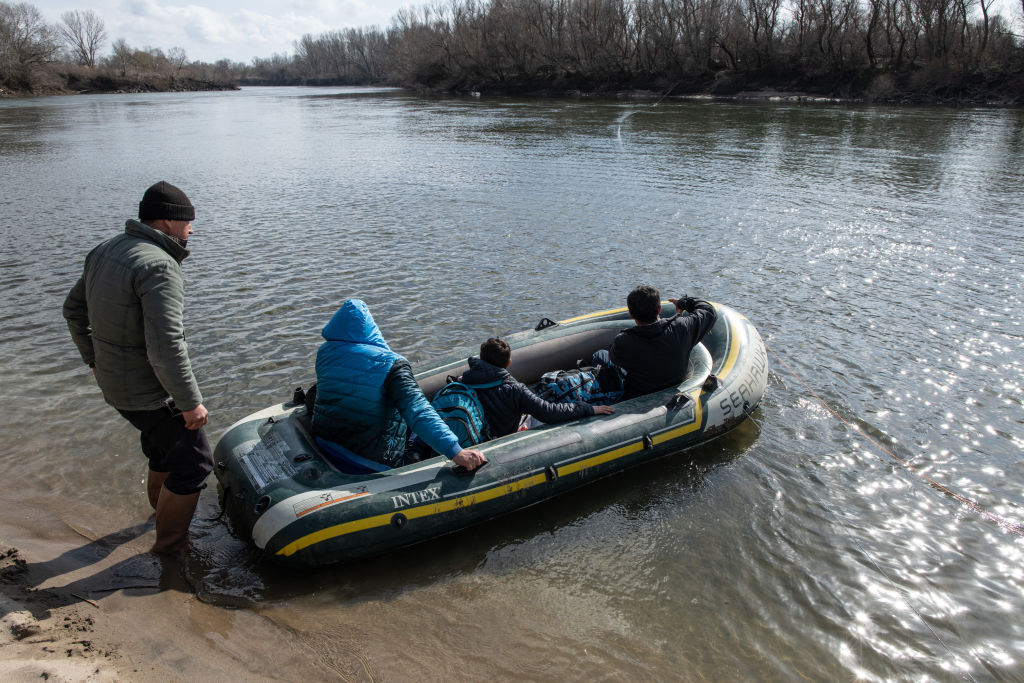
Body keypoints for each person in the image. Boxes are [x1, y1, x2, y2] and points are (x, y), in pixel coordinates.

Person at [62, 181, 212, 554]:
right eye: (188, 221)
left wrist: (93, 361)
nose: (192, 228)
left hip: (118, 387)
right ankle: (170, 548)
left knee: (161, 450)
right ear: (167, 221)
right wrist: (190, 403)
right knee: (195, 465)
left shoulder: (107, 248)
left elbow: (73, 310)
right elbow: (166, 346)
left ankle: (157, 517)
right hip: (150, 393)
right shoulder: (159, 265)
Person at [312, 299, 486, 471]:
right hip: (371, 460)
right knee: (419, 434)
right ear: (371, 328)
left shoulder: (325, 352)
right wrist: (456, 452)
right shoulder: (392, 364)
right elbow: (418, 410)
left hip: (325, 444)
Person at [460, 337, 615, 438]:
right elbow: (549, 412)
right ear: (508, 363)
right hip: (505, 434)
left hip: (481, 431)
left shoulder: (465, 380)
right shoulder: (515, 390)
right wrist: (587, 408)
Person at [593, 285, 717, 401]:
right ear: (659, 309)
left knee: (599, 355)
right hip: (673, 383)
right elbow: (709, 310)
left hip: (639, 393)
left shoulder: (623, 341)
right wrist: (683, 303)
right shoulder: (682, 328)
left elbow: (615, 358)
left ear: (631, 314)